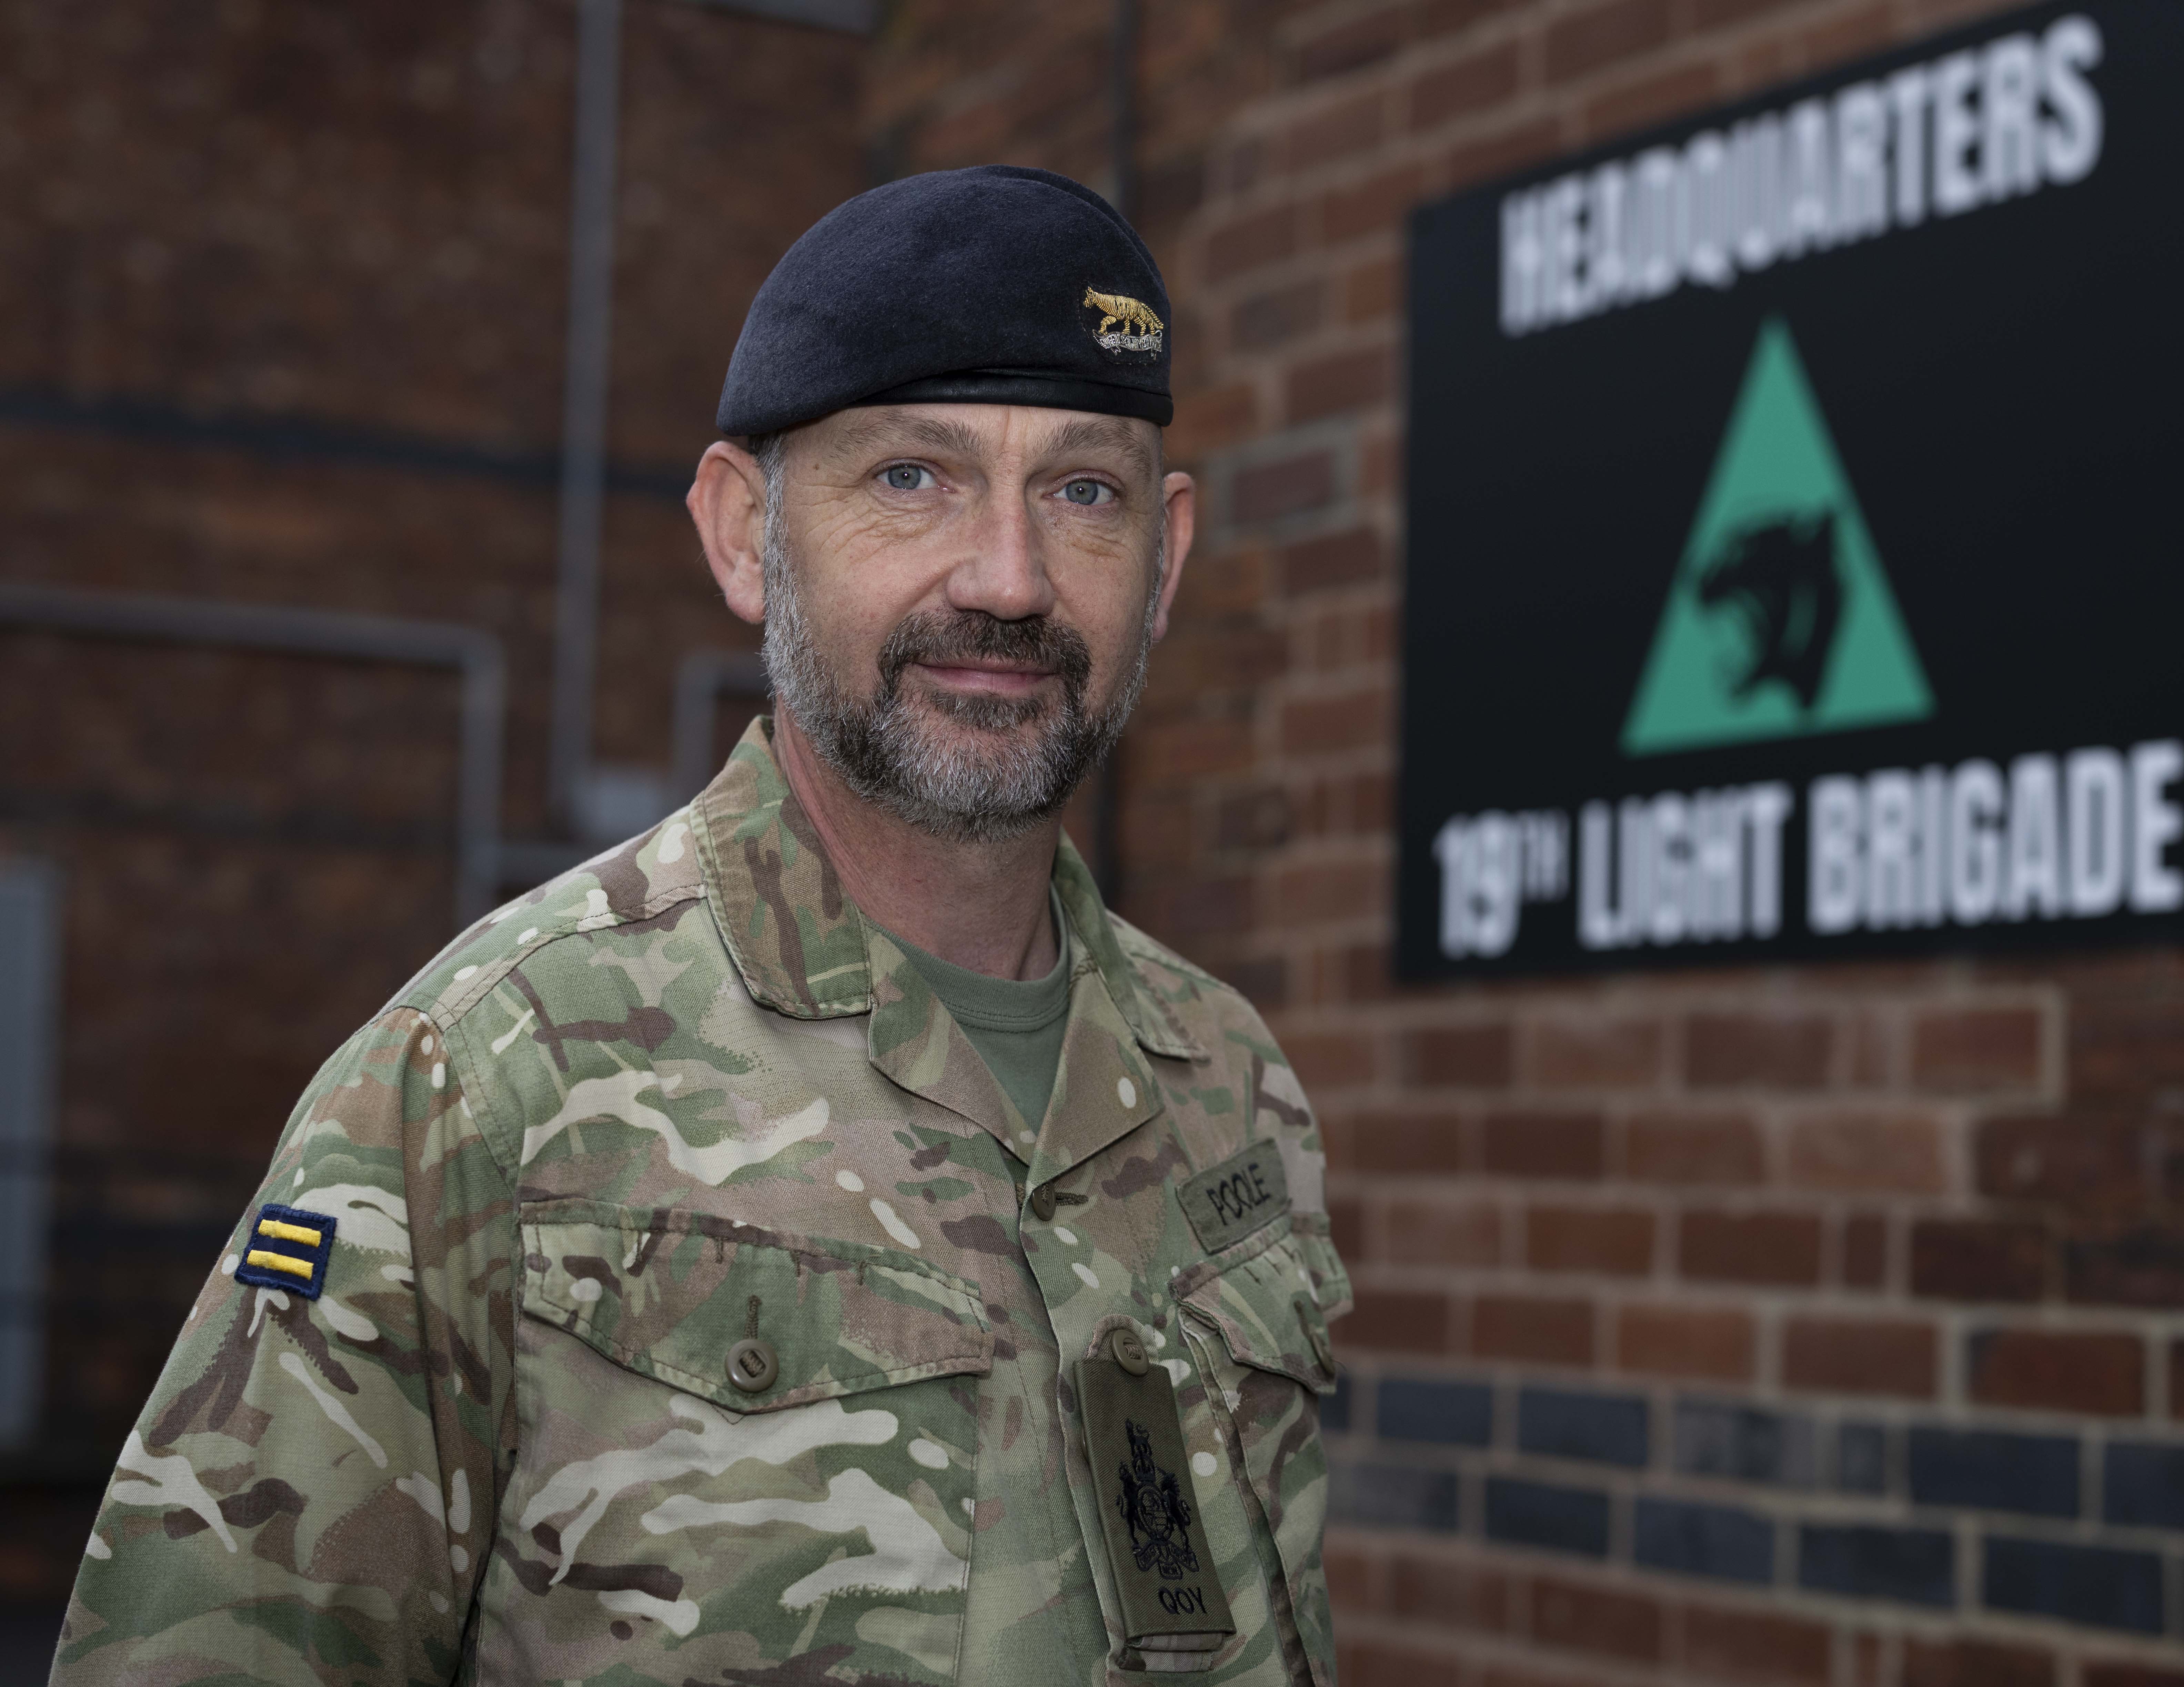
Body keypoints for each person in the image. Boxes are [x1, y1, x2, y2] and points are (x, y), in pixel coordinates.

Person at [50, 165, 1347, 1687]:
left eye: (1082, 492)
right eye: (910, 477)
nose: (1007, 578)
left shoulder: (1228, 1086)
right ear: (743, 536)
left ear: (1166, 557)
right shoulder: (485, 1083)